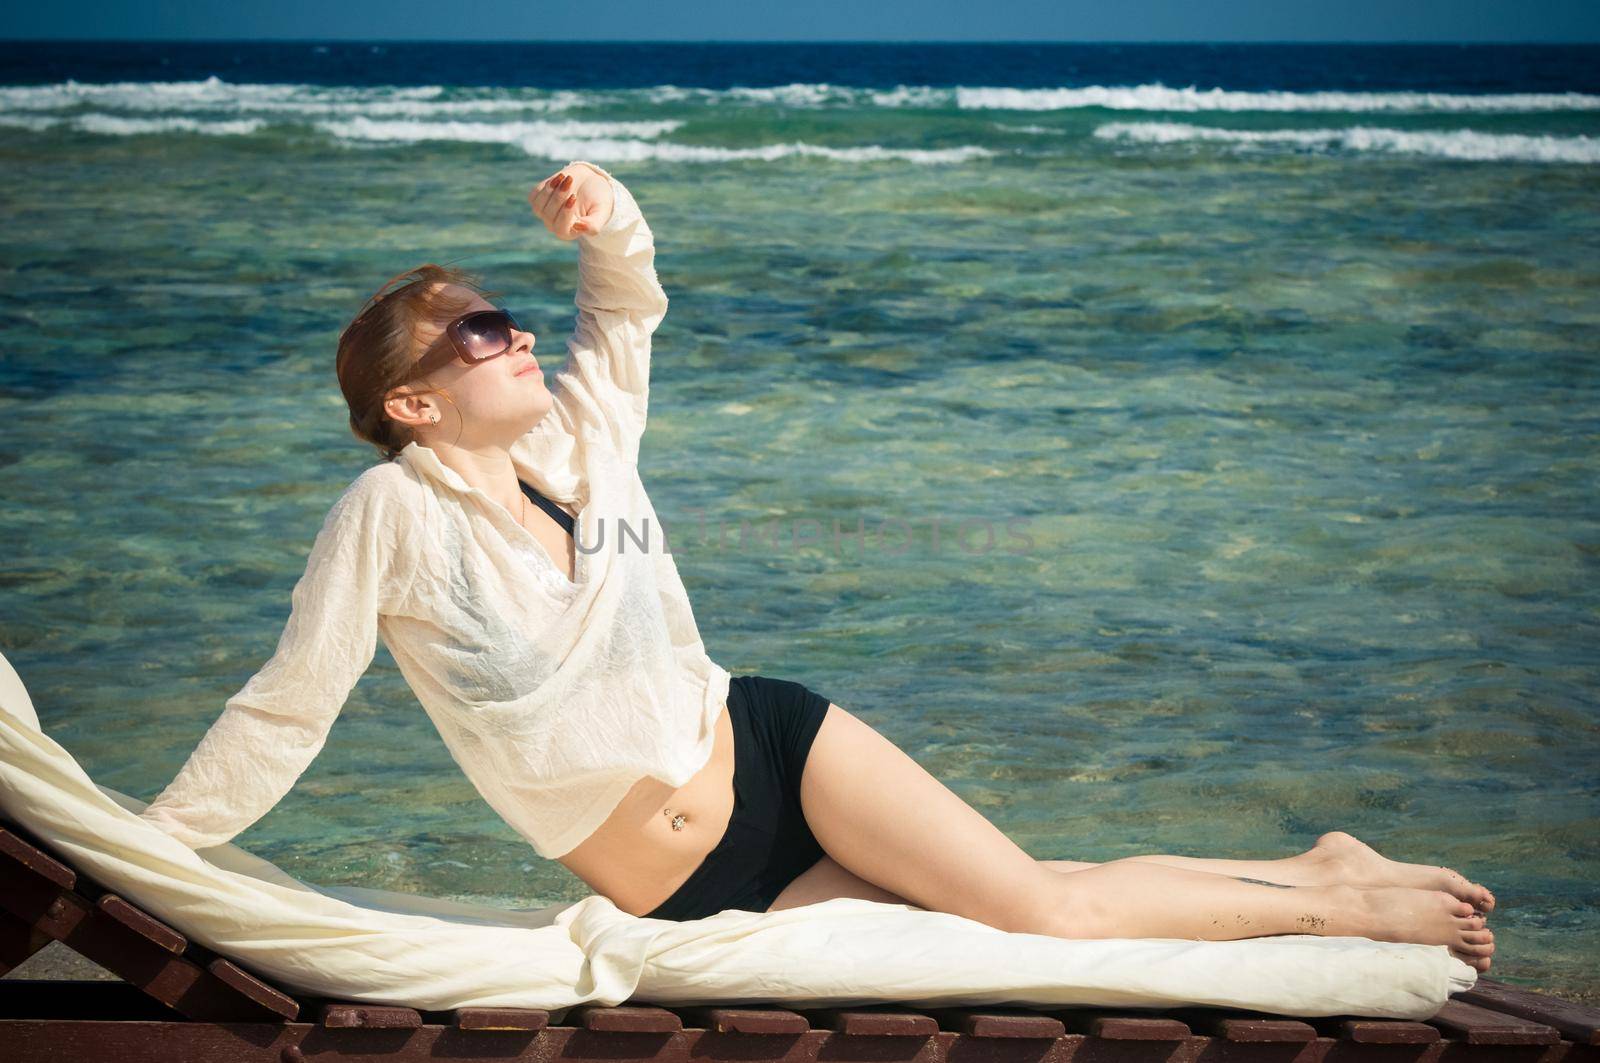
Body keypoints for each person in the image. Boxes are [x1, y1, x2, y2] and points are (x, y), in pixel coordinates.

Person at [139, 160, 1497, 971]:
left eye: (503, 317)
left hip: (771, 741)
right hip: (684, 879)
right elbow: (290, 703)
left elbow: (626, 302)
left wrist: (606, 216)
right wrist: (146, 852)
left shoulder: (581, 438)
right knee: (1025, 923)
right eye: (481, 332)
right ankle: (1321, 875)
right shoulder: (388, 514)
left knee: (1037, 902)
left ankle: (1342, 896)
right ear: (412, 405)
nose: (516, 338)